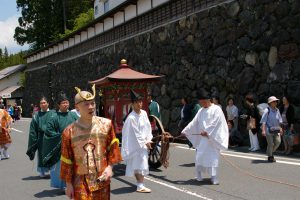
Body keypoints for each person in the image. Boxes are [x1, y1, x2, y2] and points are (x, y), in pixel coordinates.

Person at [60, 85, 122, 199]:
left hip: (102, 178)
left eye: (92, 103)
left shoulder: (106, 125)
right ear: (77, 107)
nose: (91, 107)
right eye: (86, 104)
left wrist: (110, 168)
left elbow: (113, 149)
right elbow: (66, 160)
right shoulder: (69, 131)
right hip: (80, 182)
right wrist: (68, 185)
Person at [182, 89, 228, 185]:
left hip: (212, 138)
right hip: (203, 139)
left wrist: (206, 131)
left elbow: (215, 122)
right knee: (200, 156)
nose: (200, 103)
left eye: (201, 102)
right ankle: (198, 175)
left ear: (206, 100)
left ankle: (214, 177)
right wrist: (185, 131)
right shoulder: (201, 110)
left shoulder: (217, 109)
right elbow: (194, 122)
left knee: (213, 157)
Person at [43, 91, 79, 189]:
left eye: (67, 102)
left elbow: (80, 127)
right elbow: (49, 131)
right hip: (60, 146)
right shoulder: (54, 117)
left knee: (74, 165)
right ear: (59, 105)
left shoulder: (73, 115)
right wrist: (61, 136)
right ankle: (62, 185)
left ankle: (73, 184)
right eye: (63, 103)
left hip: (73, 145)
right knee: (61, 166)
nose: (65, 104)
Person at [121, 89, 153, 193]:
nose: (139, 104)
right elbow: (136, 133)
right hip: (135, 144)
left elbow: (148, 127)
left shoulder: (144, 113)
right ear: (132, 104)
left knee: (142, 164)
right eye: (137, 102)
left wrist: (149, 138)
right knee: (139, 164)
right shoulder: (131, 118)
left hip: (143, 143)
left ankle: (140, 184)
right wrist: (145, 142)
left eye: (140, 101)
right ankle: (140, 185)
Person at [26, 97, 53, 177]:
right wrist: (33, 140)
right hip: (41, 138)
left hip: (52, 137)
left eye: (44, 102)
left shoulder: (53, 113)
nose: (43, 104)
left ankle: (53, 171)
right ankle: (42, 171)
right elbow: (33, 129)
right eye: (41, 103)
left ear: (48, 103)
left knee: (53, 154)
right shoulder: (36, 116)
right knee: (41, 154)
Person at [260, 96, 283, 162]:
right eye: (274, 101)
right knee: (271, 144)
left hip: (276, 129)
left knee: (278, 142)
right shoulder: (267, 110)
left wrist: (280, 128)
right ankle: (270, 156)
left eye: (276, 101)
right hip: (268, 130)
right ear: (270, 103)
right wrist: (263, 130)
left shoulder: (277, 110)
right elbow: (264, 121)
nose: (276, 102)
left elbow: (280, 120)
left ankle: (269, 152)